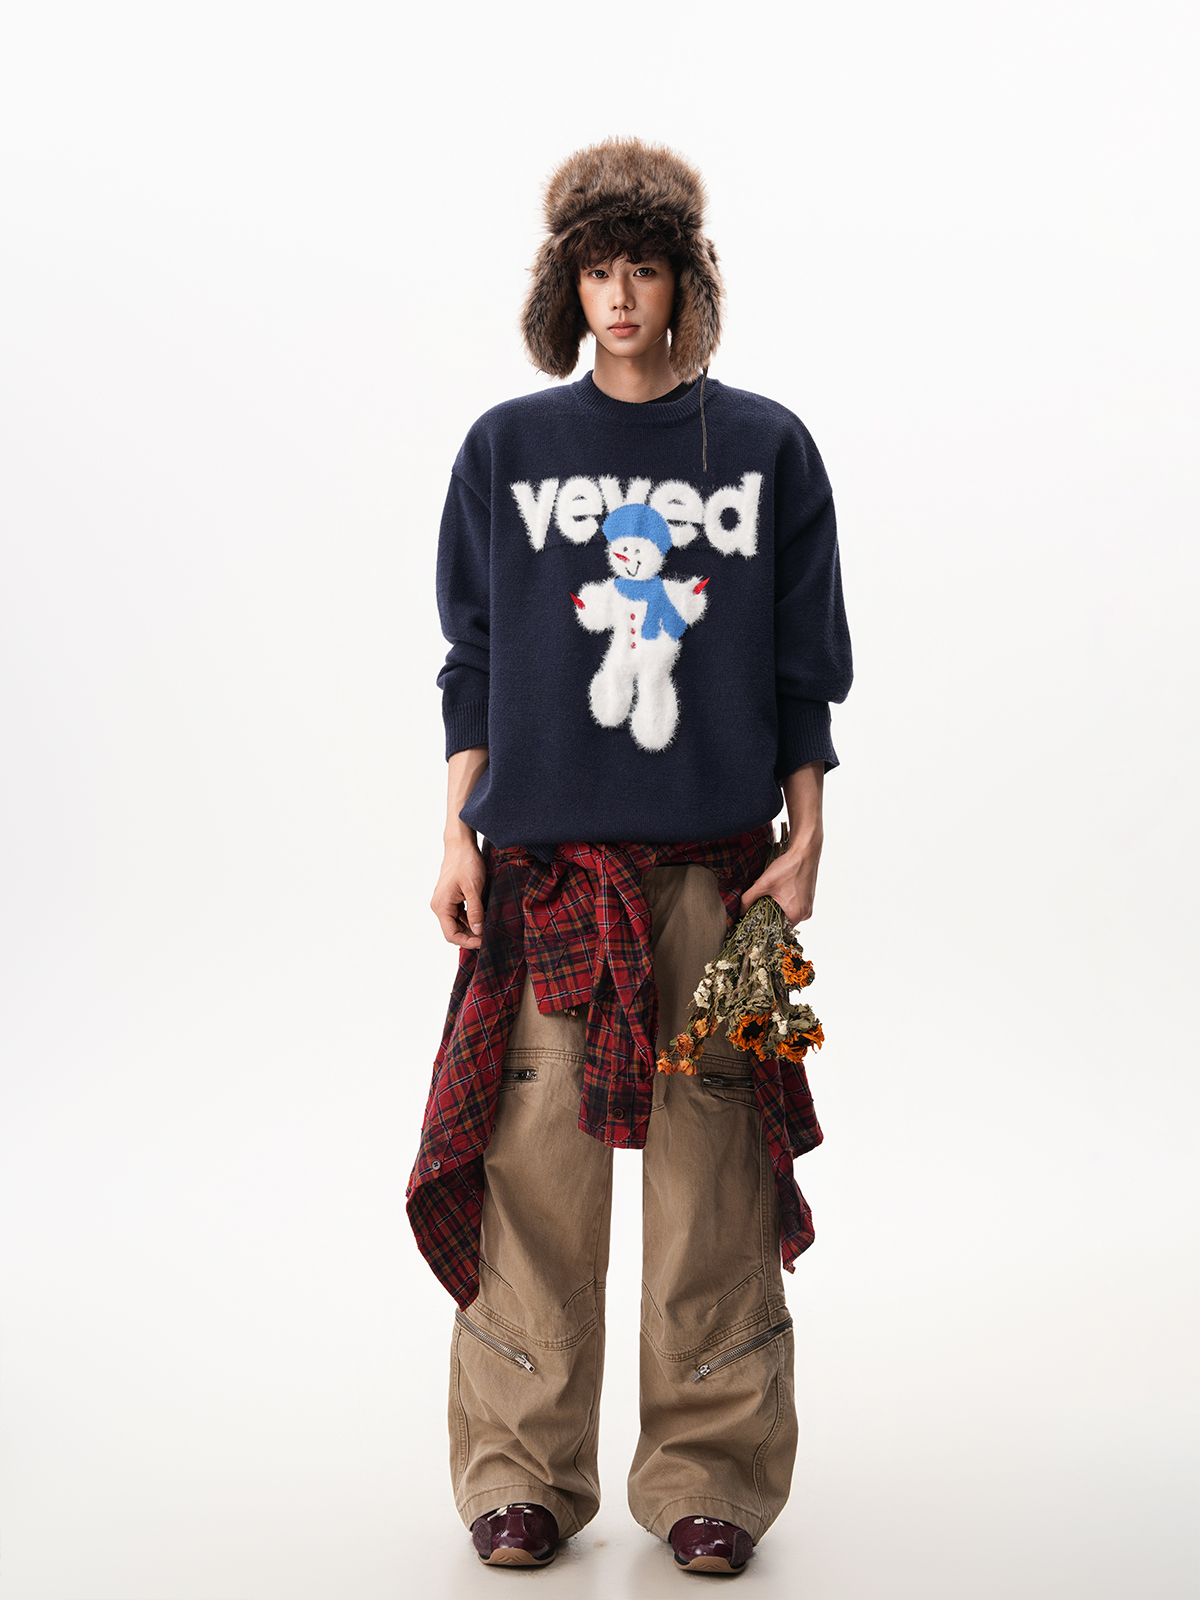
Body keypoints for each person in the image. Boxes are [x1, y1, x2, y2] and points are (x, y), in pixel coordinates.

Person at [406, 137, 852, 1576]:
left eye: (643, 271)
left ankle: (709, 1476)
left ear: (683, 284)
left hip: (721, 880)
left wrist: (809, 836)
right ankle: (522, 1474)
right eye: (597, 272)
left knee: (713, 1181)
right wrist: (459, 830)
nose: (619, 297)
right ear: (566, 288)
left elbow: (803, 672)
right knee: (536, 1181)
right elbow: (473, 663)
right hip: (547, 883)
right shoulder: (507, 450)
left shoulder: (766, 448)